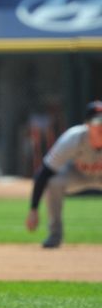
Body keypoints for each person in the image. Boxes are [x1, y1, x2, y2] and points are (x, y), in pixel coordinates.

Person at [26, 101, 102, 248]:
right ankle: (55, 236)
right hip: (77, 175)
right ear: (87, 125)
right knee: (54, 181)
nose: (101, 126)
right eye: (97, 120)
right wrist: (33, 209)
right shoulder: (73, 138)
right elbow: (45, 171)